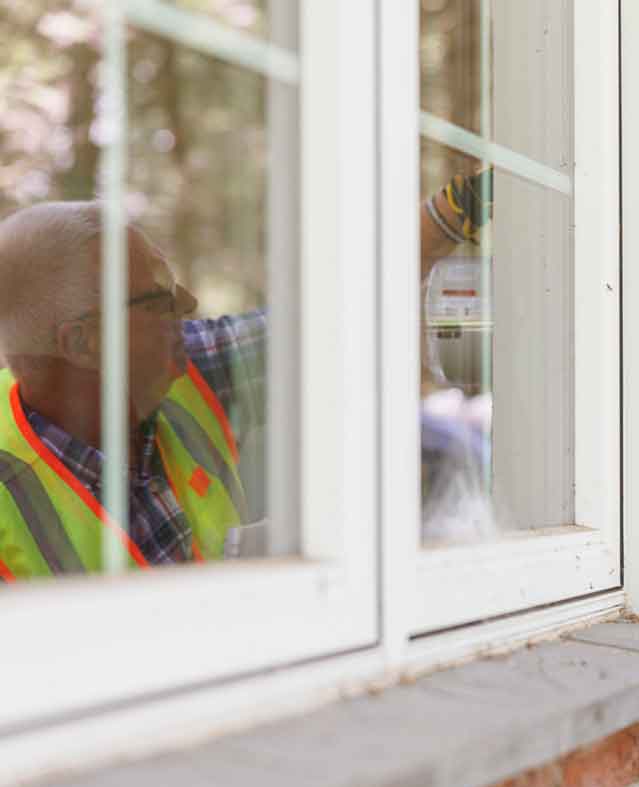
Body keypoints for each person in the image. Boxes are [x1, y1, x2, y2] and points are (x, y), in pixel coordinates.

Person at [0, 170, 492, 578]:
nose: (188, 306)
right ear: (85, 343)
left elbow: (336, 313)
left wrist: (454, 209)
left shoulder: (182, 371)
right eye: (159, 298)